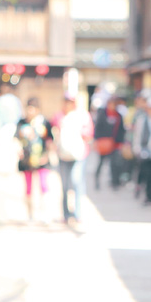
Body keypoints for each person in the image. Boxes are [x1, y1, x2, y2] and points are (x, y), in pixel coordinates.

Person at [55, 94, 92, 225]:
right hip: (63, 155)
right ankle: (66, 214)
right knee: (65, 185)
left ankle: (78, 213)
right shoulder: (59, 116)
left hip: (78, 155)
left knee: (76, 182)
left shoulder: (82, 116)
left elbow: (88, 134)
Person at [16, 97, 54, 222]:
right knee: (28, 188)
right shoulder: (21, 123)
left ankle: (45, 214)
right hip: (27, 161)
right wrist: (18, 150)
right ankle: (30, 214)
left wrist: (47, 155)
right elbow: (16, 139)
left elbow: (50, 140)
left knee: (44, 185)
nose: (30, 111)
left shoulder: (44, 123)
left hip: (41, 159)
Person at [91, 97, 125, 190]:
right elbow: (97, 128)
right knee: (100, 163)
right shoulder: (102, 114)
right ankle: (97, 181)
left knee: (114, 164)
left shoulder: (118, 116)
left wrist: (120, 143)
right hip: (104, 144)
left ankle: (114, 182)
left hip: (114, 144)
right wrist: (97, 141)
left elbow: (121, 131)